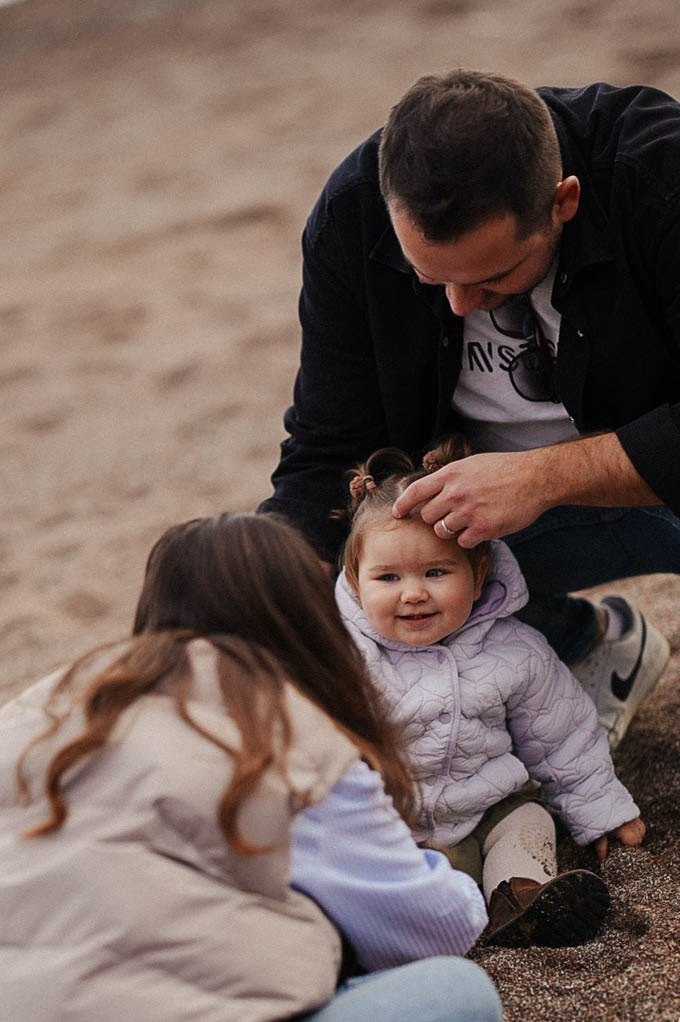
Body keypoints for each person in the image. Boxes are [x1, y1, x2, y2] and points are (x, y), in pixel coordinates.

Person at [258, 68, 678, 750]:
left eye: (492, 276)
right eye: (430, 277)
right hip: (483, 529)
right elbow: (327, 453)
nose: (457, 304)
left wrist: (540, 477)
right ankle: (582, 648)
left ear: (564, 201)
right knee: (346, 578)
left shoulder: (658, 176)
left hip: (658, 488)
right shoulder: (354, 215)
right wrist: (247, 600)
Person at [0, 512, 503, 1022]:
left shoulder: (47, 704)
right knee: (455, 991)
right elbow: (435, 929)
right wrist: (453, 877)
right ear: (304, 616)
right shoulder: (284, 733)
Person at [334, 438, 646, 948]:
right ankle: (425, 916)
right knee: (402, 869)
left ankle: (520, 897)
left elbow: (562, 736)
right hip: (402, 828)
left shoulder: (515, 651)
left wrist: (602, 811)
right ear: (354, 581)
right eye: (388, 577)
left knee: (529, 821)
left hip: (489, 808)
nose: (413, 593)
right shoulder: (345, 659)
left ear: (479, 576)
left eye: (436, 572)